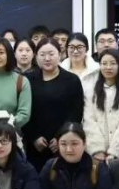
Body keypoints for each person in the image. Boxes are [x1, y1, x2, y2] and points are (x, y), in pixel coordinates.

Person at [24, 38, 83, 172]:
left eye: (51, 54)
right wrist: (34, 137)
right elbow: (24, 110)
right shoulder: (28, 80)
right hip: (35, 145)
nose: (47, 58)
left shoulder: (72, 80)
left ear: (60, 54)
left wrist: (61, 138)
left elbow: (76, 112)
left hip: (64, 144)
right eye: (42, 54)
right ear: (36, 56)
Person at [84, 49, 119, 163]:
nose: (108, 67)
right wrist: (97, 149)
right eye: (104, 63)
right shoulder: (90, 91)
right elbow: (88, 121)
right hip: (96, 156)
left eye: (113, 63)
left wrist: (115, 152)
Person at [40, 123, 115, 189]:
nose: (69, 149)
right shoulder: (51, 166)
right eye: (63, 144)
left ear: (84, 144)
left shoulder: (98, 168)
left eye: (74, 144)